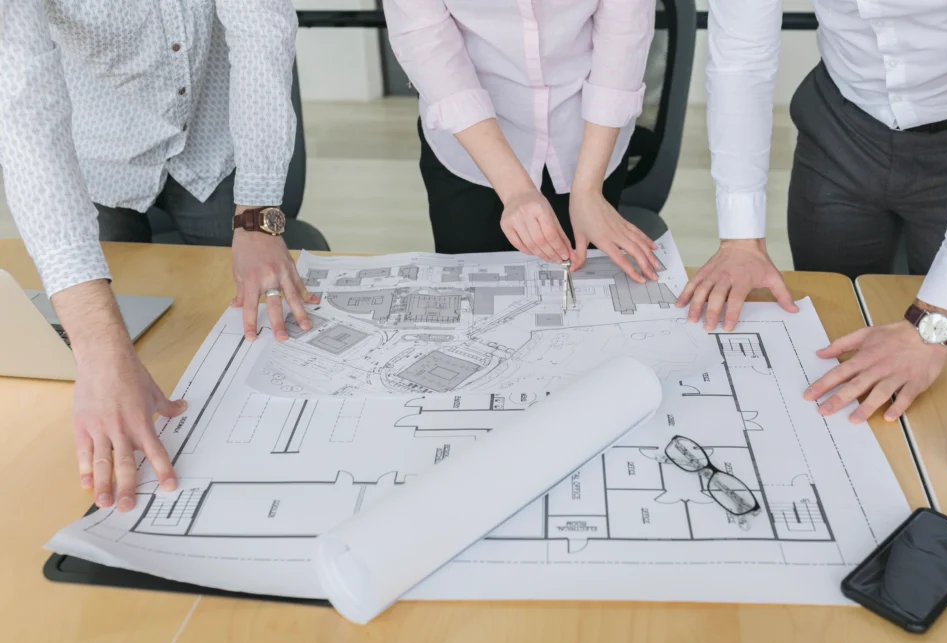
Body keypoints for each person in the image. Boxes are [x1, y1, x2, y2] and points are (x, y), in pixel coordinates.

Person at [0, 0, 320, 513]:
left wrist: (258, 213)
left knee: (247, 328)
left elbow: (263, 32)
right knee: (106, 350)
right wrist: (99, 352)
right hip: (97, 152)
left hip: (216, 138)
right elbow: (23, 115)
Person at [681, 0, 947, 422]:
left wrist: (937, 321)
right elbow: (741, 58)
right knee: (833, 329)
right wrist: (741, 238)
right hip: (841, 123)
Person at [382, 0, 662, 284]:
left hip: (587, 137)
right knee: (473, 294)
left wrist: (589, 189)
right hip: (472, 142)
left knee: (586, 293)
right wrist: (516, 192)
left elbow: (625, 30)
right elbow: (425, 41)